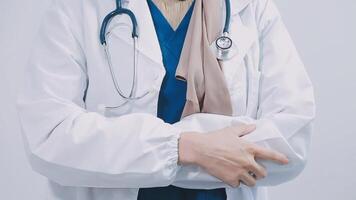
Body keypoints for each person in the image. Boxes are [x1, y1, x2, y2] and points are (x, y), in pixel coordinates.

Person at [16, 0, 315, 200]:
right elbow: (49, 137)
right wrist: (183, 148)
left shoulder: (252, 10)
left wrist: (149, 150)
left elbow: (291, 140)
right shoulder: (79, 9)